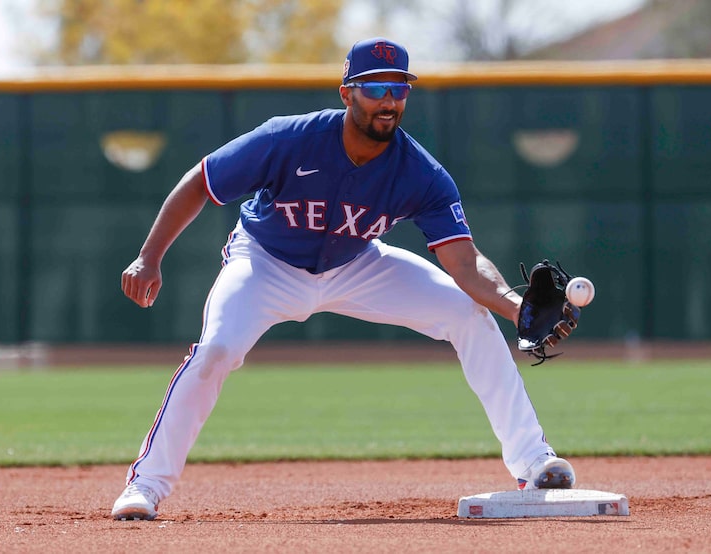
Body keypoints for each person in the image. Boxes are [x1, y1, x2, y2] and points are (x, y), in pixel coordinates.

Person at [112, 37, 575, 521]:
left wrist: (515, 306)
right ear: (346, 93)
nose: (388, 100)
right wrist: (149, 257)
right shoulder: (287, 138)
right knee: (217, 350)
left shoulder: (421, 172)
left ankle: (534, 461)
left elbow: (463, 262)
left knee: (468, 313)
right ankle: (145, 485)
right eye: (375, 87)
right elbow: (201, 182)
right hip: (265, 262)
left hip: (358, 265)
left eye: (399, 88)